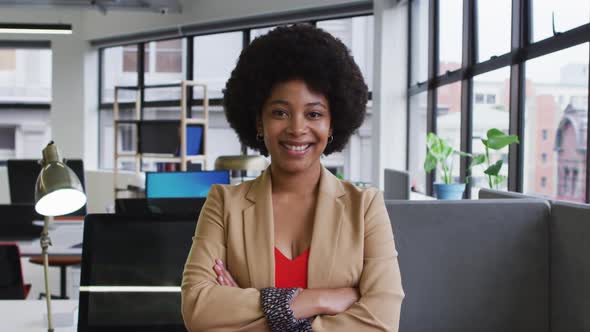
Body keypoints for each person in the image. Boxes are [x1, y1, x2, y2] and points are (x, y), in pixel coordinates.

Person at [181, 24, 404, 331]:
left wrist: (247, 313)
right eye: (280, 112)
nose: (297, 128)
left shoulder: (365, 208)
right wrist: (318, 300)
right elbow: (198, 310)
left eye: (314, 114)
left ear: (332, 123)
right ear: (258, 120)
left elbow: (381, 322)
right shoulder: (223, 204)